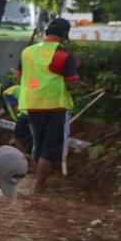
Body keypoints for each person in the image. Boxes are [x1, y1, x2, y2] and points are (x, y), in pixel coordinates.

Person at [18, 18, 79, 194]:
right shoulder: (64, 55)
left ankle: (36, 183)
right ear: (65, 34)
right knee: (50, 147)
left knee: (38, 143)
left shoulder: (27, 52)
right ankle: (39, 187)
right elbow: (72, 84)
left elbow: (19, 78)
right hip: (55, 107)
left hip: (32, 104)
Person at [1, 83, 32, 153]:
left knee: (16, 136)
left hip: (25, 114)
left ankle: (22, 155)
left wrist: (18, 119)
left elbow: (16, 107)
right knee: (29, 138)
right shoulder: (19, 88)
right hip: (36, 114)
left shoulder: (7, 92)